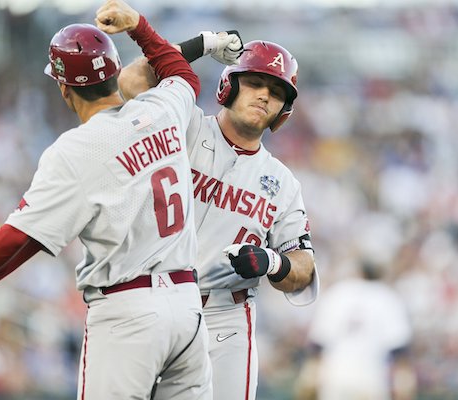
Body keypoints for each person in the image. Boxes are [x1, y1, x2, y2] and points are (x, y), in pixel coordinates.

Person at [0, 1, 213, 399]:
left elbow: (16, 240)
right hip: (189, 308)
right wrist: (140, 27)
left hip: (129, 314)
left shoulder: (76, 150)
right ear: (114, 74)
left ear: (63, 87)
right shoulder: (160, 109)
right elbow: (182, 74)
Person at [119, 37, 319, 399]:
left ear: (283, 109)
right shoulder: (186, 125)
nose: (264, 95)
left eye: (276, 91)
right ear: (230, 84)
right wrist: (201, 45)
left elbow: (303, 271)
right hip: (151, 300)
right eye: (255, 82)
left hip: (225, 317)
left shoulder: (284, 184)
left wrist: (273, 262)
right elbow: (132, 80)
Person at [300, 260, 415, 400]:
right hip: (371, 377)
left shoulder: (338, 292)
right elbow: (399, 350)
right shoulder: (386, 296)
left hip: (335, 376)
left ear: (358, 271)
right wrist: (403, 386)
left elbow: (318, 345)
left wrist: (310, 379)